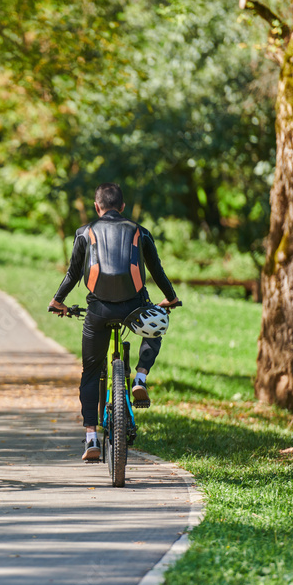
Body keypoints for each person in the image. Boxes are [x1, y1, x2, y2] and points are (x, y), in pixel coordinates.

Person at [49, 182, 180, 461]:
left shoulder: (84, 233)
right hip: (135, 309)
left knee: (91, 371)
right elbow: (156, 270)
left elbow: (72, 274)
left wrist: (57, 302)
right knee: (156, 327)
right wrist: (170, 298)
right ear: (122, 206)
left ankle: (91, 438)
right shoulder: (139, 231)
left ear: (97, 207)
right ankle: (141, 378)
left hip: (98, 312)